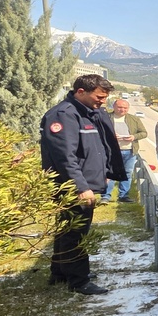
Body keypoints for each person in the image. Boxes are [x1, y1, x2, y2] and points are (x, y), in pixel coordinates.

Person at [40, 74, 126, 295]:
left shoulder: (88, 113)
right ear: (81, 92)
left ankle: (60, 272)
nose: (102, 102)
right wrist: (81, 187)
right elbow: (64, 158)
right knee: (75, 233)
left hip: (85, 183)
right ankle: (79, 280)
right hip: (72, 187)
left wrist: (105, 172)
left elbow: (97, 147)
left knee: (66, 230)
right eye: (99, 97)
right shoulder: (64, 115)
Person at [100, 98, 147, 204]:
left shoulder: (134, 119)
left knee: (127, 173)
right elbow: (98, 132)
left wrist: (133, 137)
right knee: (110, 174)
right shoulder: (106, 118)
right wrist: (110, 136)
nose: (122, 110)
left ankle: (124, 195)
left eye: (125, 108)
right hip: (111, 151)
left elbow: (144, 133)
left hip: (129, 151)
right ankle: (105, 196)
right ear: (114, 107)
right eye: (120, 107)